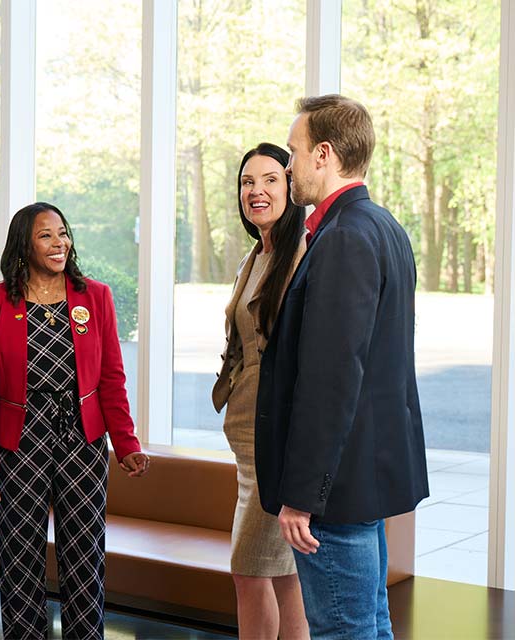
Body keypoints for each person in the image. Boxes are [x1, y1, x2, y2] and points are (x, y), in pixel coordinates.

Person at [255, 95, 429, 639]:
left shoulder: (345, 237)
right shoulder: (383, 227)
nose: (288, 166)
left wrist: (302, 495)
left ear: (323, 155)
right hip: (362, 479)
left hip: (335, 490)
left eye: (294, 151)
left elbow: (332, 380)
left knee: (343, 631)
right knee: (370, 625)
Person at [0, 202, 149, 640]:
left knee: (85, 556)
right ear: (23, 245)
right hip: (19, 441)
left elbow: (111, 376)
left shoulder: (95, 296)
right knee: (19, 557)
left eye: (63, 233)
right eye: (46, 235)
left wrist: (126, 443)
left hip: (81, 440)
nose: (59, 243)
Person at [212, 143, 309, 639]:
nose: (257, 191)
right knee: (283, 576)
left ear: (291, 187)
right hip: (247, 440)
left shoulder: (300, 255)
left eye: (270, 179)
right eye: (248, 182)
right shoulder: (256, 255)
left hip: (277, 444)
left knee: (249, 570)